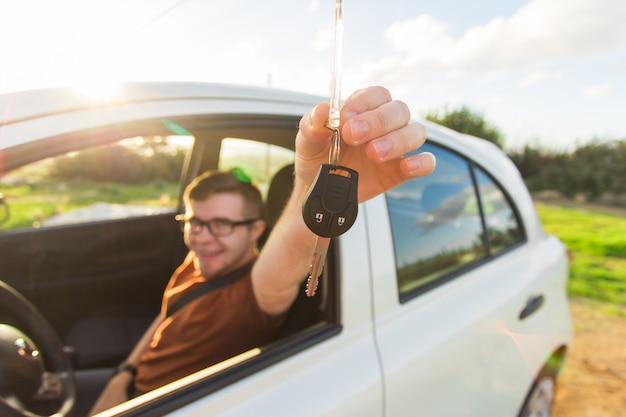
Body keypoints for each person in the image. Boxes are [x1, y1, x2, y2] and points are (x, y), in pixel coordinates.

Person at [89, 86, 436, 415]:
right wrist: (124, 372)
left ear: (256, 229)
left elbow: (285, 261)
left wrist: (311, 185)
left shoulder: (252, 295)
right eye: (194, 221)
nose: (202, 237)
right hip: (127, 385)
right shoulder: (199, 259)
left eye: (221, 225)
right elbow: (166, 317)